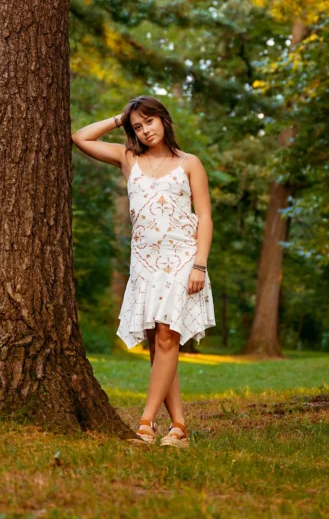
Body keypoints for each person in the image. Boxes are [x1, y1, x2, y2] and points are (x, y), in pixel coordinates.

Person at [71, 96, 216, 448]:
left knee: (168, 337)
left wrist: (200, 264)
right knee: (158, 341)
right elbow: (80, 137)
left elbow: (206, 217)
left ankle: (146, 424)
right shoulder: (128, 158)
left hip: (182, 260)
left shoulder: (189, 163)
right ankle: (179, 427)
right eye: (137, 126)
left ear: (163, 120)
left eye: (149, 121)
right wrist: (120, 118)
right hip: (145, 263)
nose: (145, 130)